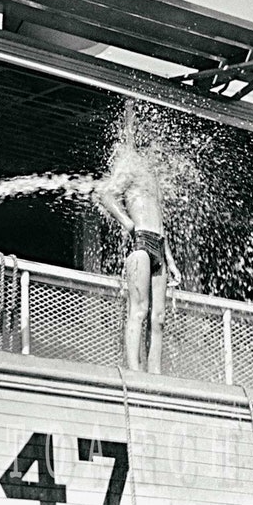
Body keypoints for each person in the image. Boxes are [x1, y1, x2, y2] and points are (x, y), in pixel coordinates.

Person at [93, 104, 181, 373]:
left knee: (159, 318)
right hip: (141, 243)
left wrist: (171, 260)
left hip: (158, 246)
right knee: (139, 311)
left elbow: (161, 221)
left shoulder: (153, 176)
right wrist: (128, 223)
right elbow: (105, 195)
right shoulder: (129, 164)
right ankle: (134, 370)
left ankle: (155, 373)